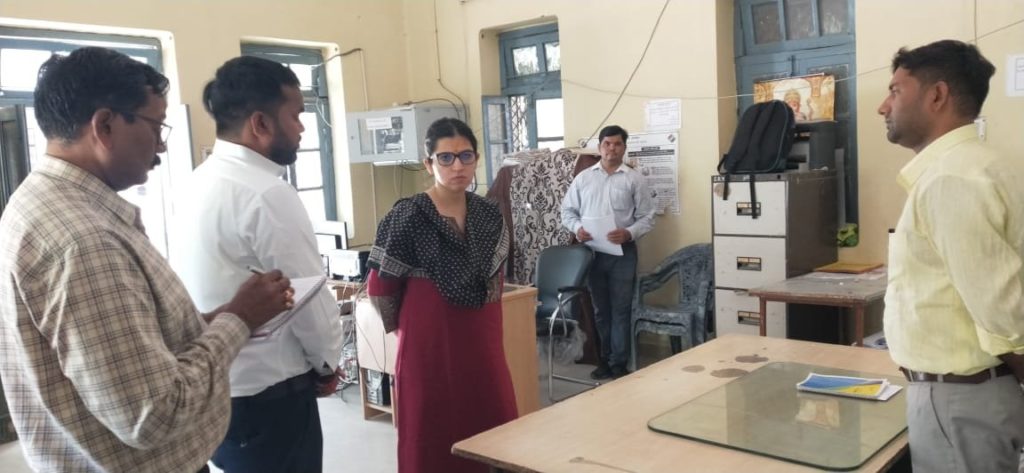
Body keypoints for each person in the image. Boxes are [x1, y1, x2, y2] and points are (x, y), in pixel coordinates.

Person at [0, 47, 293, 473]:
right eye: (156, 126)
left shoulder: (38, 202)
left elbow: (124, 352)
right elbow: (153, 415)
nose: (162, 146)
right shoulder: (86, 242)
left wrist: (214, 319)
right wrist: (240, 319)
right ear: (104, 125)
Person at [170, 56, 343, 473]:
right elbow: (306, 298)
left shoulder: (197, 181)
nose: (302, 128)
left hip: (218, 386)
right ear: (261, 124)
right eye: (296, 115)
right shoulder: (266, 193)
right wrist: (328, 363)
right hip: (271, 395)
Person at [878, 39, 1024, 472]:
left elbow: (1002, 310)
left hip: (961, 398)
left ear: (937, 95)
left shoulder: (951, 179)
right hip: (970, 396)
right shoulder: (980, 165)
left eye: (896, 91)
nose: (883, 106)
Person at [366, 117, 516, 473]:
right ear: (428, 163)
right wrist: (412, 329)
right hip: (427, 347)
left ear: (476, 159)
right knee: (431, 433)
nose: (457, 166)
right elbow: (381, 290)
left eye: (465, 156)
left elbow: (495, 286)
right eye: (446, 158)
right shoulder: (406, 216)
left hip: (483, 343)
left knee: (493, 424)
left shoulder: (489, 214)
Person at [561, 125, 655, 379]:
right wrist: (578, 229)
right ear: (600, 146)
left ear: (624, 148)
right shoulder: (583, 178)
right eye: (607, 143)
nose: (612, 148)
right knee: (600, 310)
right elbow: (567, 212)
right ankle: (604, 360)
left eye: (617, 144)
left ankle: (619, 363)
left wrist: (629, 233)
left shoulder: (634, 179)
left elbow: (647, 217)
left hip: (623, 252)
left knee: (621, 309)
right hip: (592, 253)